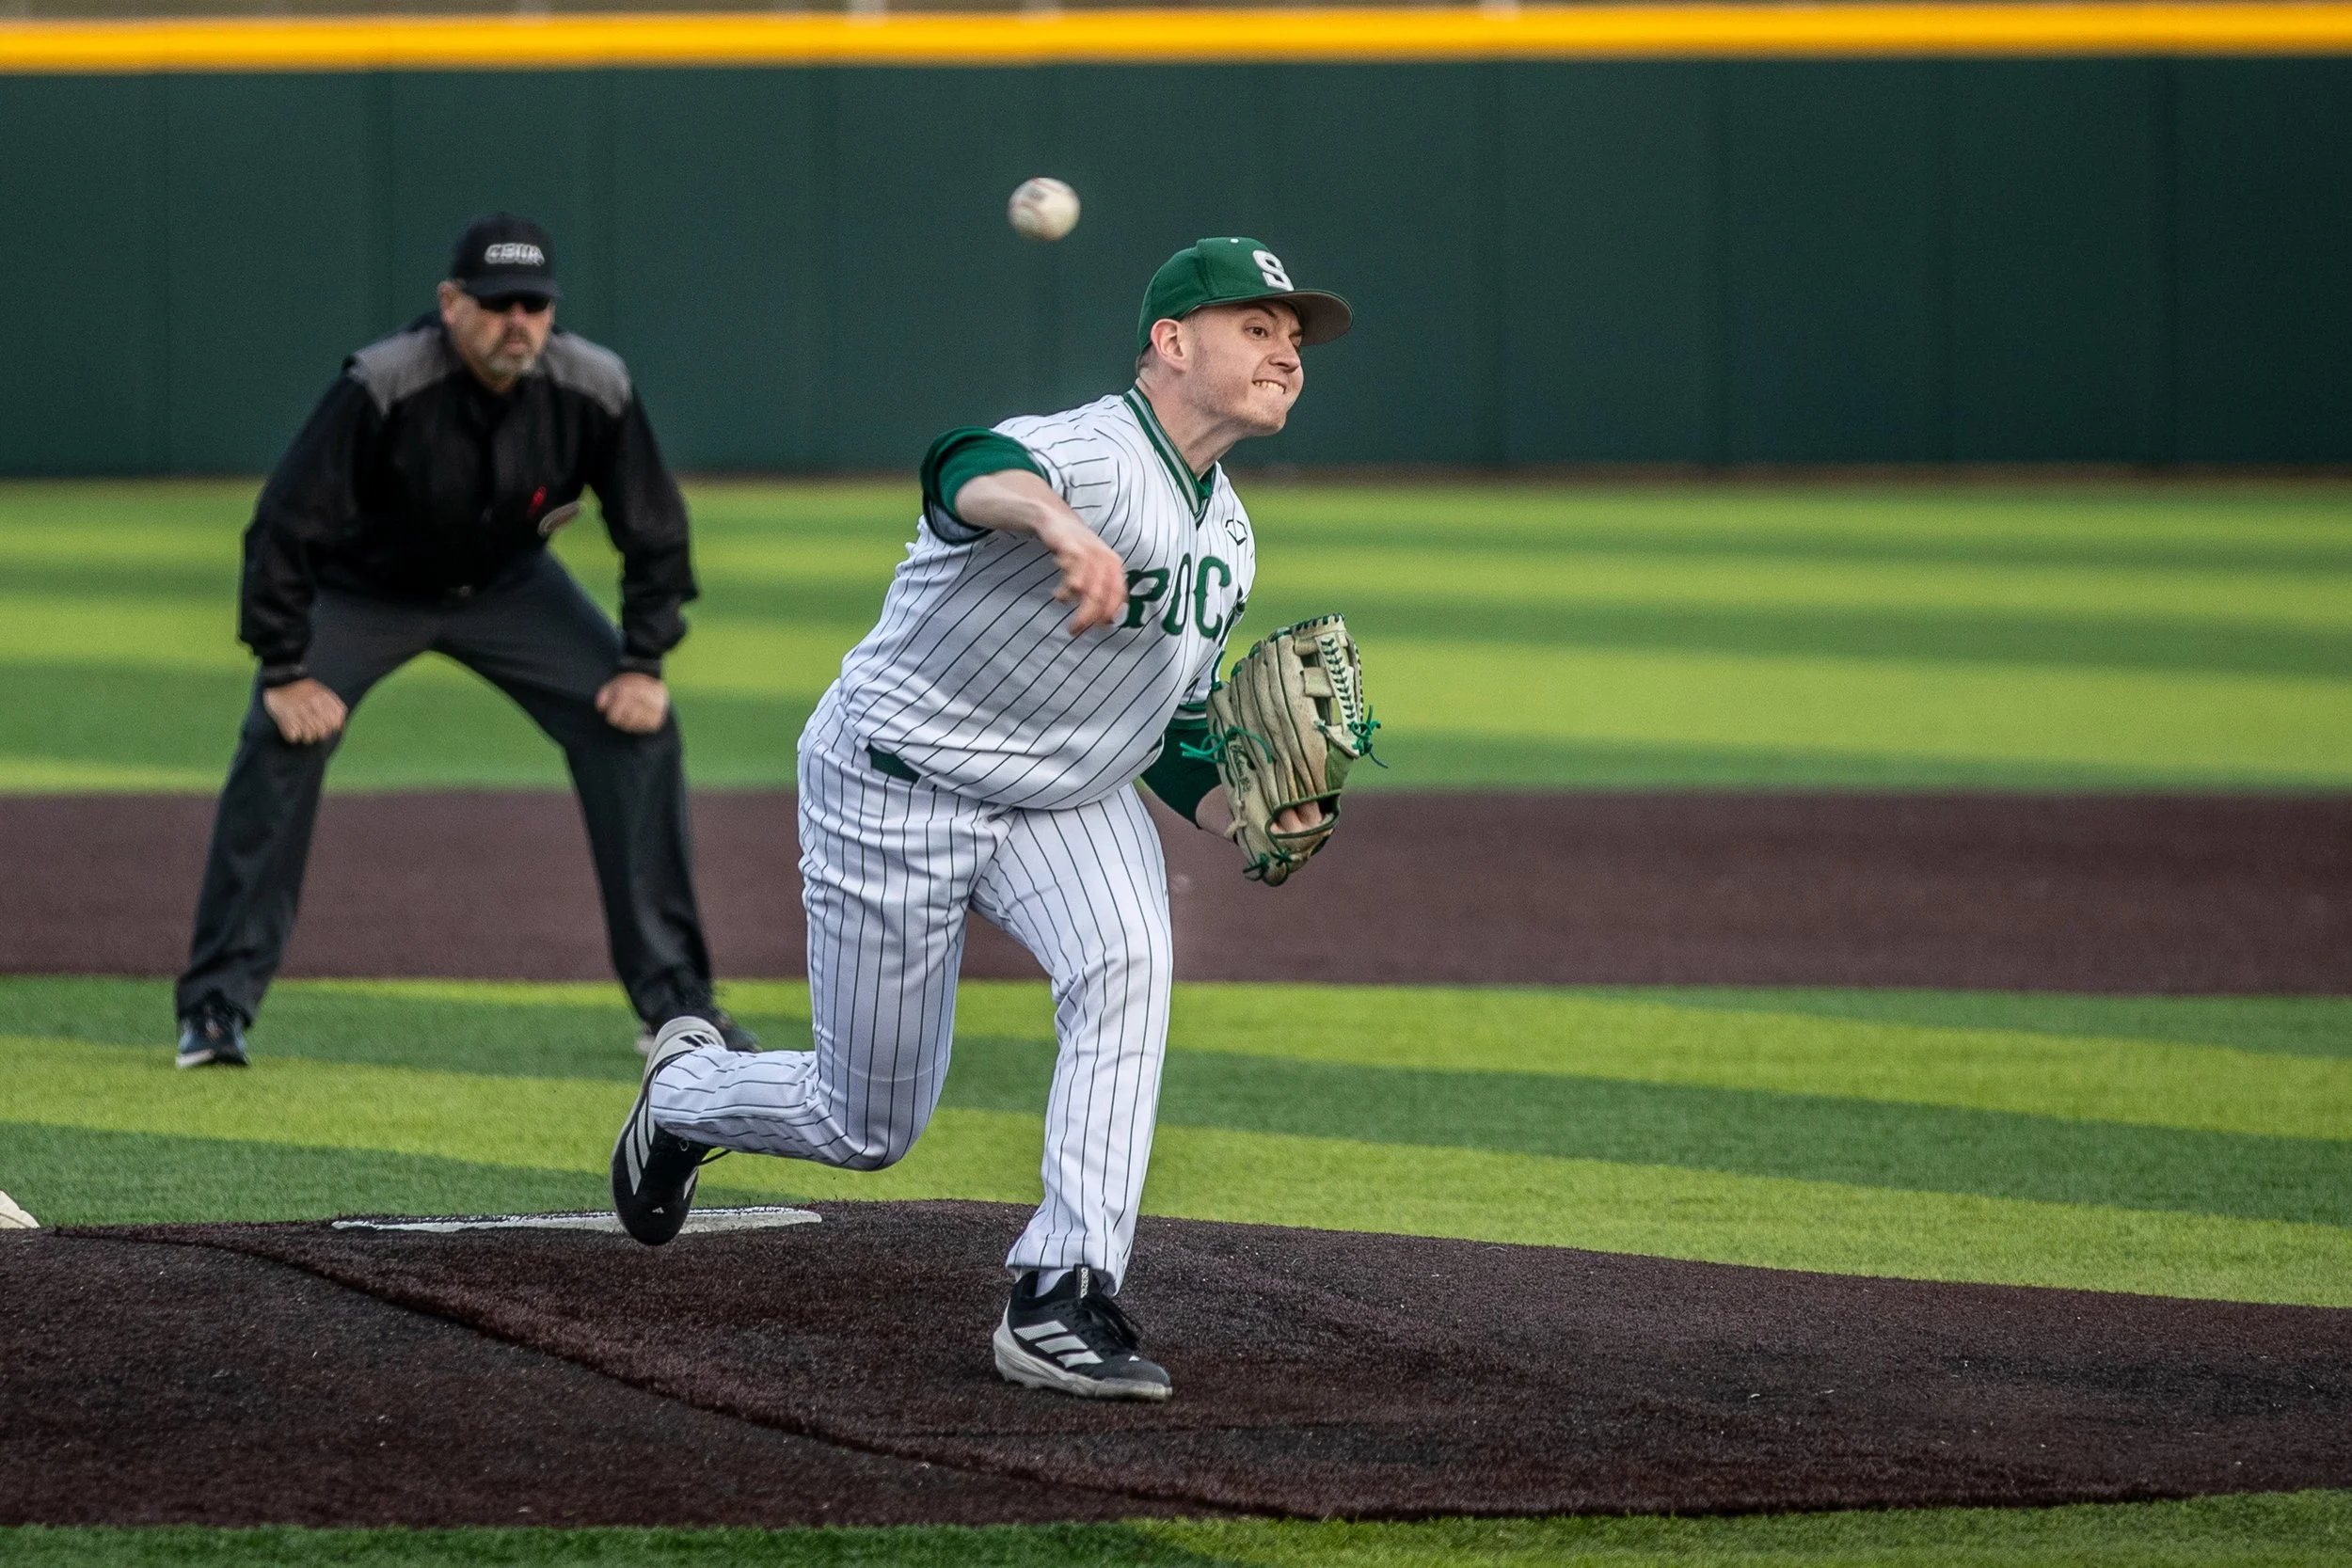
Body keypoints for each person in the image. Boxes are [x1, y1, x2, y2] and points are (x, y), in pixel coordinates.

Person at [611, 238, 1350, 1402]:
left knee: (1129, 962)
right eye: (1256, 328)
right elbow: (962, 464)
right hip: (896, 781)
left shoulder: (1230, 536)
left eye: (1294, 337)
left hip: (1064, 798)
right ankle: (684, 1096)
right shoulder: (1092, 456)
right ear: (1170, 344)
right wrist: (1054, 525)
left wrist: (1248, 812)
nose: (1286, 352)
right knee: (865, 1122)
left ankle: (1061, 1288)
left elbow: (1162, 725)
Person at [174, 214, 754, 1069]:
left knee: (638, 731)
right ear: (451, 304)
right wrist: (285, 665)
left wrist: (643, 660)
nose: (517, 321)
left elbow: (655, 528)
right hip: (364, 590)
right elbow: (286, 525)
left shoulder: (593, 385)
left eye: (535, 304)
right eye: (496, 303)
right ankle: (216, 1008)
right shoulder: (383, 383)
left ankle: (674, 1000)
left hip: (511, 590)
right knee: (277, 740)